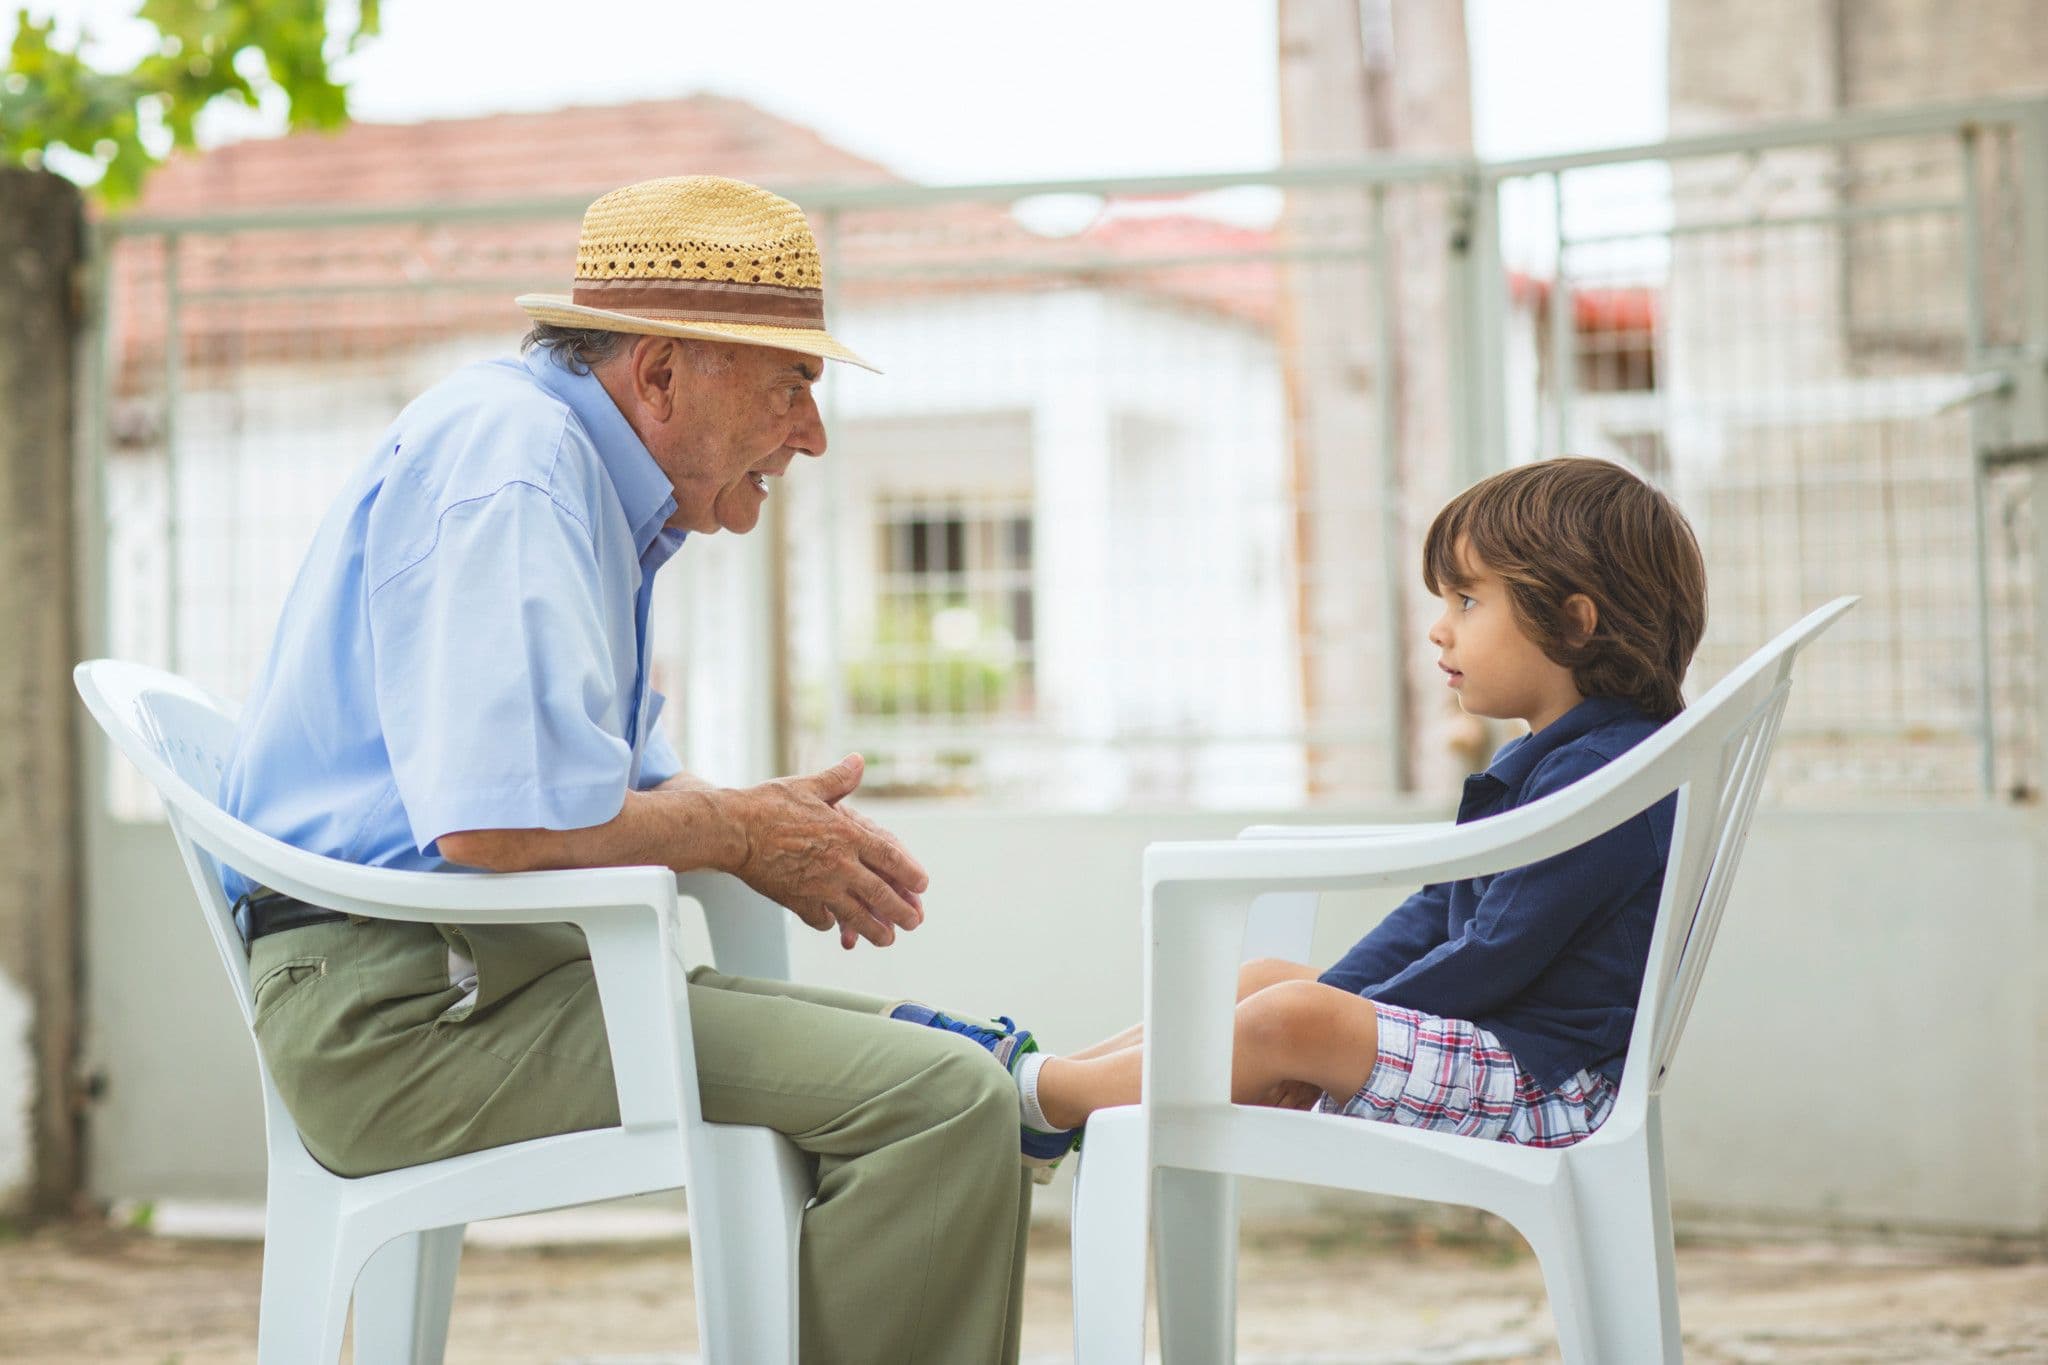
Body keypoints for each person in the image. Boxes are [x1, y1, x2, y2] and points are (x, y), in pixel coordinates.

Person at [218, 175, 1037, 1364]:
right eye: (792, 382)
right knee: (940, 1104)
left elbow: (607, 801)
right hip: (411, 1016)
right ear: (660, 374)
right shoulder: (517, 462)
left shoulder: (568, 470)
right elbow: (497, 830)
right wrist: (737, 832)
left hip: (489, 980)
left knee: (962, 1069)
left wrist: (744, 823)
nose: (810, 432)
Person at [896, 456, 1709, 1163]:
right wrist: (1338, 1009)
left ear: (1572, 620)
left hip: (1550, 1084)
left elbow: (1494, 950)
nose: (1439, 629)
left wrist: (1327, 1031)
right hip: (1505, 1051)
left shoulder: (1609, 776)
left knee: (1292, 1013)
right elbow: (1439, 912)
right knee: (1263, 980)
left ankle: (1047, 1094)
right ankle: (1059, 1082)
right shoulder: (1561, 759)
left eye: (1467, 601)